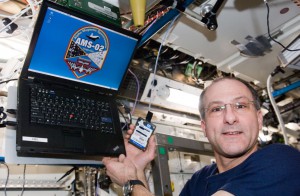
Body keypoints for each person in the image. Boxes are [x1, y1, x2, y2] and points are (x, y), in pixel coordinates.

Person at [103, 77, 300, 196]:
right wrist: (137, 170)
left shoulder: (283, 161)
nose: (230, 117)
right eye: (216, 109)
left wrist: (130, 182)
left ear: (259, 119)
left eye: (240, 106)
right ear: (204, 128)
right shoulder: (199, 180)